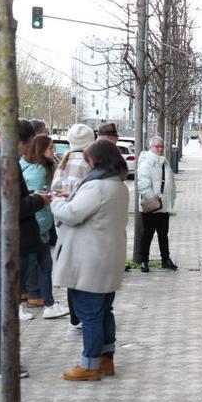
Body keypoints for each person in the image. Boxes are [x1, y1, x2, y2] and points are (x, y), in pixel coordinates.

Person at [0, 120, 50, 380]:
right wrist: (40, 199)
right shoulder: (1, 163)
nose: (22, 153)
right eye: (24, 147)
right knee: (2, 302)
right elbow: (13, 206)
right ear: (17, 140)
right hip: (4, 242)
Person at [52, 140, 129, 381]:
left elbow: (72, 214)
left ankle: (89, 365)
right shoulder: (117, 185)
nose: (86, 165)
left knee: (90, 314)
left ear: (96, 161)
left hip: (90, 262)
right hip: (107, 258)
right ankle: (106, 359)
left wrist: (55, 201)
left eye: (87, 161)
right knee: (104, 311)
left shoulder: (96, 186)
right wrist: (72, 197)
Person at [50, 124, 94, 332]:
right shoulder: (90, 164)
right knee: (85, 275)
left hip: (64, 225)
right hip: (84, 225)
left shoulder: (63, 162)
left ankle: (74, 318)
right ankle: (85, 316)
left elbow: (54, 192)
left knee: (71, 274)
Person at [21, 134, 68, 318]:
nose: (54, 151)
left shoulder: (37, 167)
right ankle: (18, 307)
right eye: (50, 147)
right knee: (31, 268)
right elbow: (36, 200)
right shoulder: (37, 170)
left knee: (45, 266)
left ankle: (49, 304)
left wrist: (54, 194)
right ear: (41, 150)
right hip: (36, 229)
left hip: (38, 229)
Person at [135, 135, 178, 271]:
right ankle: (144, 261)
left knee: (163, 235)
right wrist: (154, 200)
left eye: (162, 146)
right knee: (147, 234)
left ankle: (165, 259)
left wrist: (171, 198)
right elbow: (143, 185)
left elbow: (170, 182)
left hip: (163, 206)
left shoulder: (164, 162)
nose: (160, 149)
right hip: (151, 206)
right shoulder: (145, 163)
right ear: (150, 147)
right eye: (157, 146)